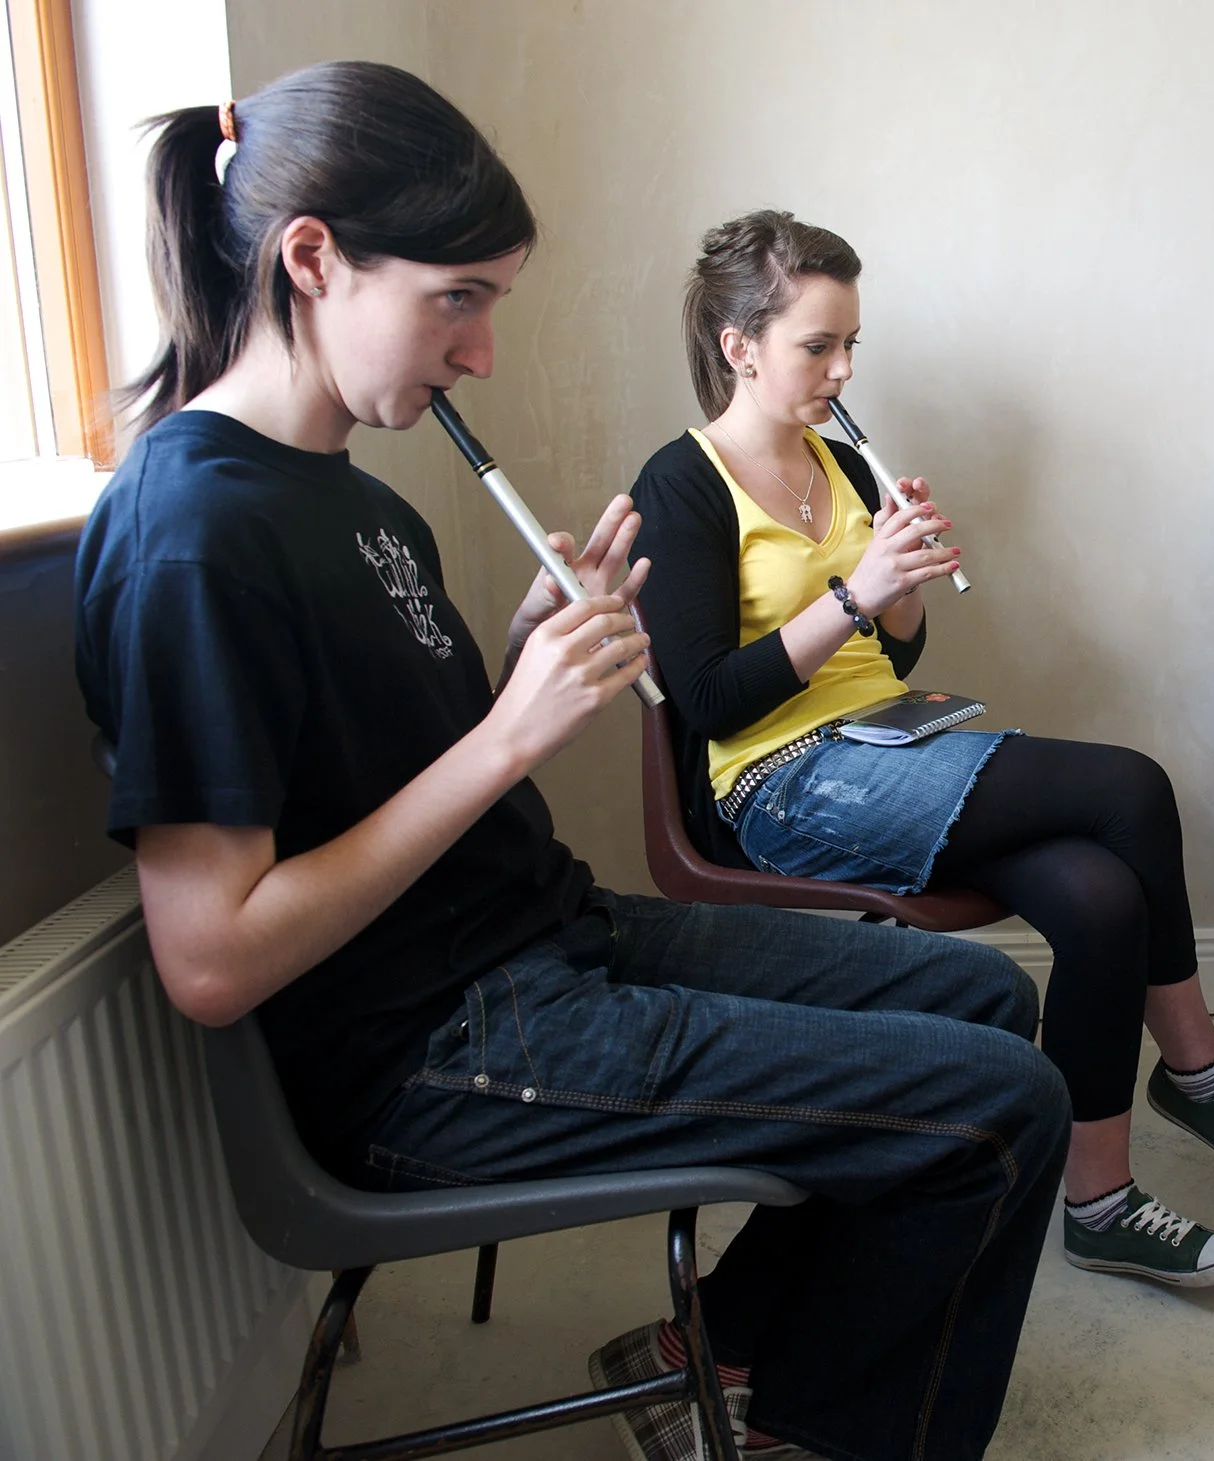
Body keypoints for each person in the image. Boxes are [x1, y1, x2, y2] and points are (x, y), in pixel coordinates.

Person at [74, 63, 1070, 1461]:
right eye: (457, 298)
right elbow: (213, 957)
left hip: (545, 942)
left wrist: (522, 660)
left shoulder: (356, 503)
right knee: (998, 1110)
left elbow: (366, 781)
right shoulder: (190, 534)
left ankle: (725, 1355)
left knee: (979, 995)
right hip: (432, 1051)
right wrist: (505, 737)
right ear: (314, 259)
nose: (480, 352)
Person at [630, 210, 1214, 1290]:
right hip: (779, 783)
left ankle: (1097, 1202)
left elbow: (894, 664)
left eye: (850, 343)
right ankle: (1196, 1067)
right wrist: (851, 592)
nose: (844, 367)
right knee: (1131, 787)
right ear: (739, 347)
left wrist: (897, 591)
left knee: (1100, 897)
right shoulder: (681, 485)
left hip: (888, 751)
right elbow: (712, 701)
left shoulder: (844, 464)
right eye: (818, 346)